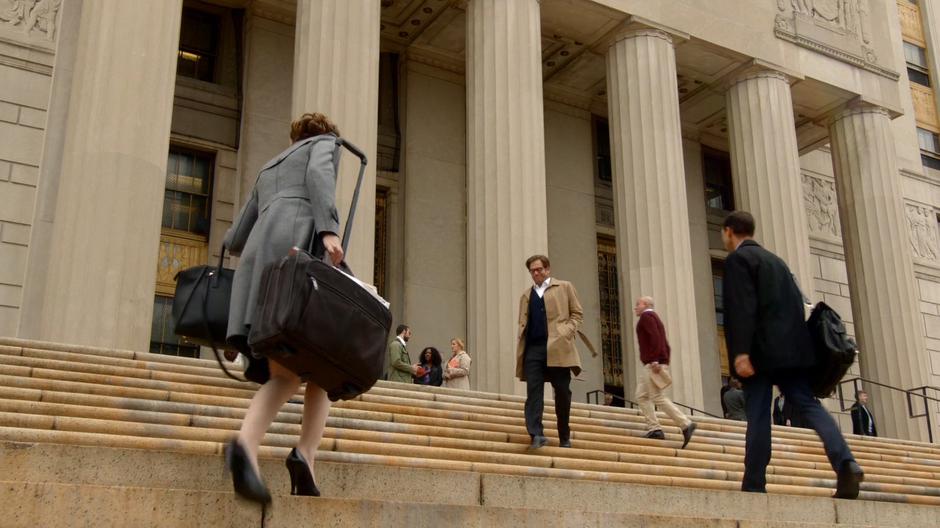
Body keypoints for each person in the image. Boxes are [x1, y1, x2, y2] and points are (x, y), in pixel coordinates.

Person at [222, 112, 346, 504]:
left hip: (260, 269)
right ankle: (298, 451)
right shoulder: (326, 145)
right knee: (326, 360)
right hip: (298, 258)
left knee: (291, 372)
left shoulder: (267, 168)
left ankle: (274, 450)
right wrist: (328, 230)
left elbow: (235, 238)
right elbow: (320, 181)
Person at [722, 210, 863, 499]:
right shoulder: (778, 262)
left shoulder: (739, 260)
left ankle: (754, 482)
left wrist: (740, 353)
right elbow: (798, 306)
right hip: (794, 352)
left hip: (760, 354)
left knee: (758, 414)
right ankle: (845, 460)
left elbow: (741, 309)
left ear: (728, 232)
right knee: (809, 406)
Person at [516, 254, 596, 449]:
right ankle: (536, 434)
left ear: (547, 269)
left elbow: (577, 314)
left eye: (539, 269)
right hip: (533, 349)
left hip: (559, 347)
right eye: (532, 271)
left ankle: (564, 435)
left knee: (562, 393)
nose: (536, 273)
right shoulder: (526, 295)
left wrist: (566, 332)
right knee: (533, 392)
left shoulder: (565, 287)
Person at [632, 296, 697, 448]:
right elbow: (665, 343)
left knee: (657, 397)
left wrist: (656, 360)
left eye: (638, 304)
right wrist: (663, 360)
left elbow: (655, 339)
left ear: (646, 305)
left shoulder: (646, 317)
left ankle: (685, 424)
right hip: (654, 363)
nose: (635, 307)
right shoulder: (655, 318)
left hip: (652, 363)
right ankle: (655, 429)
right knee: (641, 396)